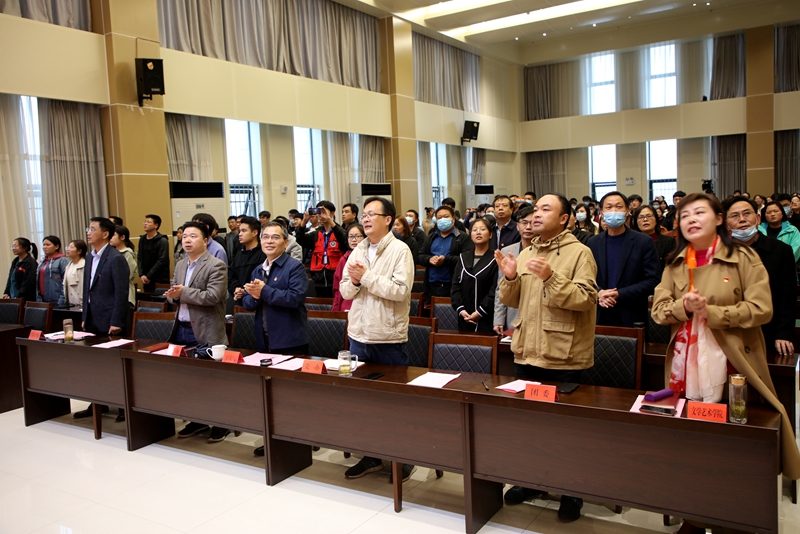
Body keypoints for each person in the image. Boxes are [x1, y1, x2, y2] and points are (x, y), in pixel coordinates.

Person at [652, 193, 800, 532]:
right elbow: (659, 311)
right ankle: (694, 516)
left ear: (719, 219)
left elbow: (762, 308)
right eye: (684, 215)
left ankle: (730, 518)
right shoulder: (675, 264)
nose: (691, 219)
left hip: (733, 362)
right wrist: (683, 307)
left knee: (730, 445)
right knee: (691, 443)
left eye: (699, 212)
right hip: (685, 364)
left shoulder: (743, 258)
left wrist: (713, 312)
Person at [494, 193, 597, 521]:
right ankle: (533, 481)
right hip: (527, 351)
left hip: (562, 355)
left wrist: (552, 277)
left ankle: (571, 491)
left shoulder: (580, 253)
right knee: (531, 427)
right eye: (535, 209)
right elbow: (513, 301)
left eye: (545, 209)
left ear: (564, 218)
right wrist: (511, 277)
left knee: (566, 431)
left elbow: (585, 299)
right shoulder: (527, 252)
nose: (536, 214)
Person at [340, 196, 415, 482]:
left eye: (373, 214)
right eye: (365, 214)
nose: (366, 218)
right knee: (365, 404)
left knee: (394, 404)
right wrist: (355, 280)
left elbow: (400, 291)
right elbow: (346, 291)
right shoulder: (358, 248)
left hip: (388, 338)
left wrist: (366, 277)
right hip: (359, 336)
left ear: (388, 219)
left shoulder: (400, 250)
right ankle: (371, 454)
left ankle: (403, 458)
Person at [243, 221, 309, 457]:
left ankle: (298, 440)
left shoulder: (294, 267)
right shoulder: (258, 269)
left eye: (275, 237)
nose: (269, 241)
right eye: (265, 237)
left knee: (292, 396)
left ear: (285, 241)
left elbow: (295, 298)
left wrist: (263, 291)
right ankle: (273, 439)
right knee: (270, 395)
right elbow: (249, 303)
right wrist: (252, 295)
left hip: (290, 340)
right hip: (265, 341)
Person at [166, 222, 231, 443]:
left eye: (193, 236)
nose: (187, 240)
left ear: (205, 240)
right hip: (181, 329)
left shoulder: (216, 265)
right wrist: (173, 296)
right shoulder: (180, 265)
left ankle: (222, 423)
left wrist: (183, 292)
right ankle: (198, 419)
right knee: (188, 380)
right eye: (184, 236)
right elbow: (173, 293)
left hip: (206, 330)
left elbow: (213, 297)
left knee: (213, 381)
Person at [73, 217, 130, 420]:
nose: (88, 232)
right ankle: (98, 402)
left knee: (114, 364)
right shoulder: (90, 257)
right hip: (93, 318)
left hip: (110, 319)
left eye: (92, 229)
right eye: (88, 228)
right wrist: (85, 316)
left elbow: (121, 293)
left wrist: (116, 321)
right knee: (96, 364)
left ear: (105, 234)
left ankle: (123, 406)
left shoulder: (115, 258)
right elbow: (87, 289)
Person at [725, 196, 797, 356]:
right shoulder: (721, 253)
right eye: (735, 216)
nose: (742, 219)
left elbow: (788, 297)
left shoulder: (781, 251)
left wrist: (783, 334)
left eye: (747, 214)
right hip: (731, 331)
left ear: (758, 218)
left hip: (769, 331)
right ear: (727, 223)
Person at [587, 192, 660, 328]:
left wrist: (620, 294)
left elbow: (653, 280)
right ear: (601, 213)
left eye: (619, 207)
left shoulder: (643, 242)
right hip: (599, 313)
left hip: (631, 313)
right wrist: (599, 292)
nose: (614, 211)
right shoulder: (593, 242)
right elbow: (587, 277)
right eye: (609, 207)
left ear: (627, 211)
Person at [451, 218, 498, 332]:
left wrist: (479, 312)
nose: (478, 232)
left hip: (487, 317)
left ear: (490, 235)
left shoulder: (496, 258)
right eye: (475, 230)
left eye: (482, 229)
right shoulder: (463, 257)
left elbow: (495, 289)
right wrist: (461, 309)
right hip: (464, 316)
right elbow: (455, 285)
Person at [493, 206, 535, 334]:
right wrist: (498, 319)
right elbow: (500, 287)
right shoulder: (507, 251)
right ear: (517, 226)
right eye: (524, 223)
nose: (528, 227)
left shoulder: (546, 252)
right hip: (513, 315)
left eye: (533, 223)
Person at [418, 205, 473, 300]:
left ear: (453, 219)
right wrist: (429, 259)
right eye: (439, 217)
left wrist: (446, 259)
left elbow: (467, 259)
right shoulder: (431, 237)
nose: (442, 219)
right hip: (432, 285)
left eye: (446, 217)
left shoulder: (463, 237)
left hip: (454, 285)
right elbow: (420, 256)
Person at [295, 201, 348, 298]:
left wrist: (330, 221)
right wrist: (304, 222)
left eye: (324, 212)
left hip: (337, 280)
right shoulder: (316, 234)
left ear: (332, 214)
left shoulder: (339, 231)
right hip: (318, 281)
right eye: (319, 213)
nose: (321, 216)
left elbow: (345, 241)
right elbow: (300, 239)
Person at [228, 216, 266, 307]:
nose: (240, 234)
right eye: (239, 231)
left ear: (255, 232)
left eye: (244, 231)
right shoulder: (239, 256)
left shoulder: (264, 254)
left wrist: (245, 291)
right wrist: (236, 288)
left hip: (259, 303)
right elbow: (231, 276)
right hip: (241, 303)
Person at [332, 224, 365, 312]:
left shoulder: (369, 256)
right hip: (347, 304)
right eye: (350, 237)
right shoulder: (344, 259)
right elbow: (337, 288)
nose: (353, 240)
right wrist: (336, 309)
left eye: (357, 236)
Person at [635, 204, 676, 272]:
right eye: (641, 217)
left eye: (649, 216)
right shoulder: (631, 242)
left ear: (656, 220)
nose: (645, 219)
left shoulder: (669, 241)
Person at [138, 214, 170, 292]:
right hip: (145, 278)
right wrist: (141, 274)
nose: (145, 224)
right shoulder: (142, 239)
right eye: (145, 222)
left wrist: (149, 276)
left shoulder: (162, 240)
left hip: (160, 279)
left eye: (148, 222)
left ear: (156, 225)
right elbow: (139, 258)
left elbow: (162, 260)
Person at [109, 226, 138, 308]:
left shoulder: (127, 254)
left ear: (122, 237)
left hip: (125, 294)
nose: (110, 238)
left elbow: (127, 275)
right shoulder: (111, 253)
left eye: (113, 235)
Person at [37, 235, 68, 305]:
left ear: (56, 246)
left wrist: (61, 300)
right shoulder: (42, 262)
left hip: (56, 300)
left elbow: (65, 282)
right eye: (44, 245)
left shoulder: (62, 260)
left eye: (48, 245)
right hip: (42, 300)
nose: (45, 247)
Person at [63, 240, 87, 307]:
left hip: (80, 303)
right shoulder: (69, 265)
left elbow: (83, 286)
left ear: (79, 251)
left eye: (71, 247)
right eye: (68, 247)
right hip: (71, 303)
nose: (68, 249)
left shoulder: (84, 265)